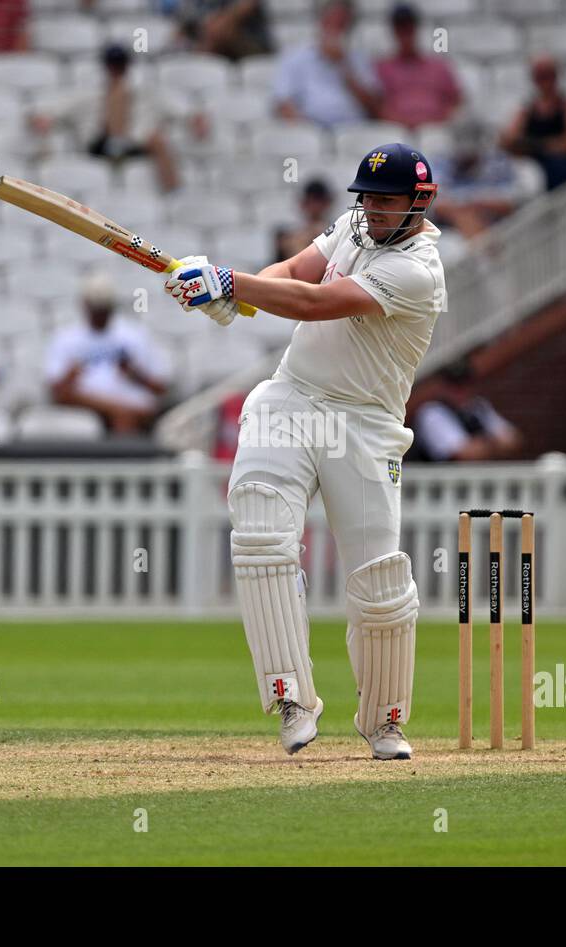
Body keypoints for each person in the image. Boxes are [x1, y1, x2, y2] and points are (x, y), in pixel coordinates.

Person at [163, 143, 444, 760]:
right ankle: (291, 698)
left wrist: (231, 281)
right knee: (261, 534)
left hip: (364, 424)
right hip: (292, 397)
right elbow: (296, 274)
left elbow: (318, 303)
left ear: (419, 204)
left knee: (379, 582)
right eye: (366, 198)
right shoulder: (352, 226)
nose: (371, 210)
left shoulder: (418, 271)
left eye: (386, 200)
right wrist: (231, 293)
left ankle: (385, 720)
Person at [28, 45, 186, 193]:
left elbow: (177, 111)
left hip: (131, 144)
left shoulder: (144, 93)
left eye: (119, 65)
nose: (116, 69)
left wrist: (193, 119)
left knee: (157, 138)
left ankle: (175, 194)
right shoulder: (88, 93)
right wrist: (43, 119)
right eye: (113, 65)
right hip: (99, 145)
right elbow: (50, 111)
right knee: (118, 96)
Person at [44, 275, 172, 434]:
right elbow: (56, 392)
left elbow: (161, 388)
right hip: (85, 400)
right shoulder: (67, 338)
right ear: (85, 306)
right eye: (95, 308)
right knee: (121, 414)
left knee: (125, 414)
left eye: (103, 309)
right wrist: (71, 374)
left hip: (131, 400)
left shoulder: (134, 335)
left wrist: (135, 375)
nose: (99, 314)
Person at [273, 0, 381, 127]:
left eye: (341, 25)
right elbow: (283, 102)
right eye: (331, 22)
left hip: (353, 127)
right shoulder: (296, 57)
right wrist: (308, 133)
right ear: (321, 22)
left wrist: (344, 67)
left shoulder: (359, 59)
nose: (335, 31)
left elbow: (373, 106)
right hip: (314, 129)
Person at [432, 117, 539, 237]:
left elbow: (512, 199)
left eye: (471, 155)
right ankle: (483, 251)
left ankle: (482, 249)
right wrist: (465, 204)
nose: (466, 158)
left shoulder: (498, 162)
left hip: (494, 218)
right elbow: (436, 201)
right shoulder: (443, 162)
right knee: (463, 215)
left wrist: (481, 202)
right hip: (454, 223)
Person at [500, 53, 566, 191]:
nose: (544, 82)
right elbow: (509, 140)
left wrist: (538, 146)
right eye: (539, 76)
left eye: (547, 75)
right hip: (533, 167)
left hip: (563, 167)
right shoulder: (527, 109)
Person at [409, 358, 523, 461]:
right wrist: (494, 443)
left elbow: (513, 440)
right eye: (455, 386)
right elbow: (464, 453)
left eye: (465, 384)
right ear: (443, 386)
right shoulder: (432, 412)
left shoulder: (478, 407)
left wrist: (485, 445)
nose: (461, 391)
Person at [374, 3, 461, 128]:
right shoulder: (382, 68)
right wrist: (400, 122)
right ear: (394, 31)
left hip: (436, 129)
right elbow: (377, 106)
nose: (405, 33)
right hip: (397, 130)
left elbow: (457, 100)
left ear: (416, 29)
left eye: (409, 28)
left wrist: (442, 119)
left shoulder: (438, 66)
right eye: (401, 28)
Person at [174, 0, 272, 60]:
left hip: (252, 47)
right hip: (205, 43)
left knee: (218, 30)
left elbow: (247, 6)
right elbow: (184, 24)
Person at [273, 178, 333, 261]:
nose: (315, 206)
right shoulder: (289, 238)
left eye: (318, 201)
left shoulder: (336, 232)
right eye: (311, 201)